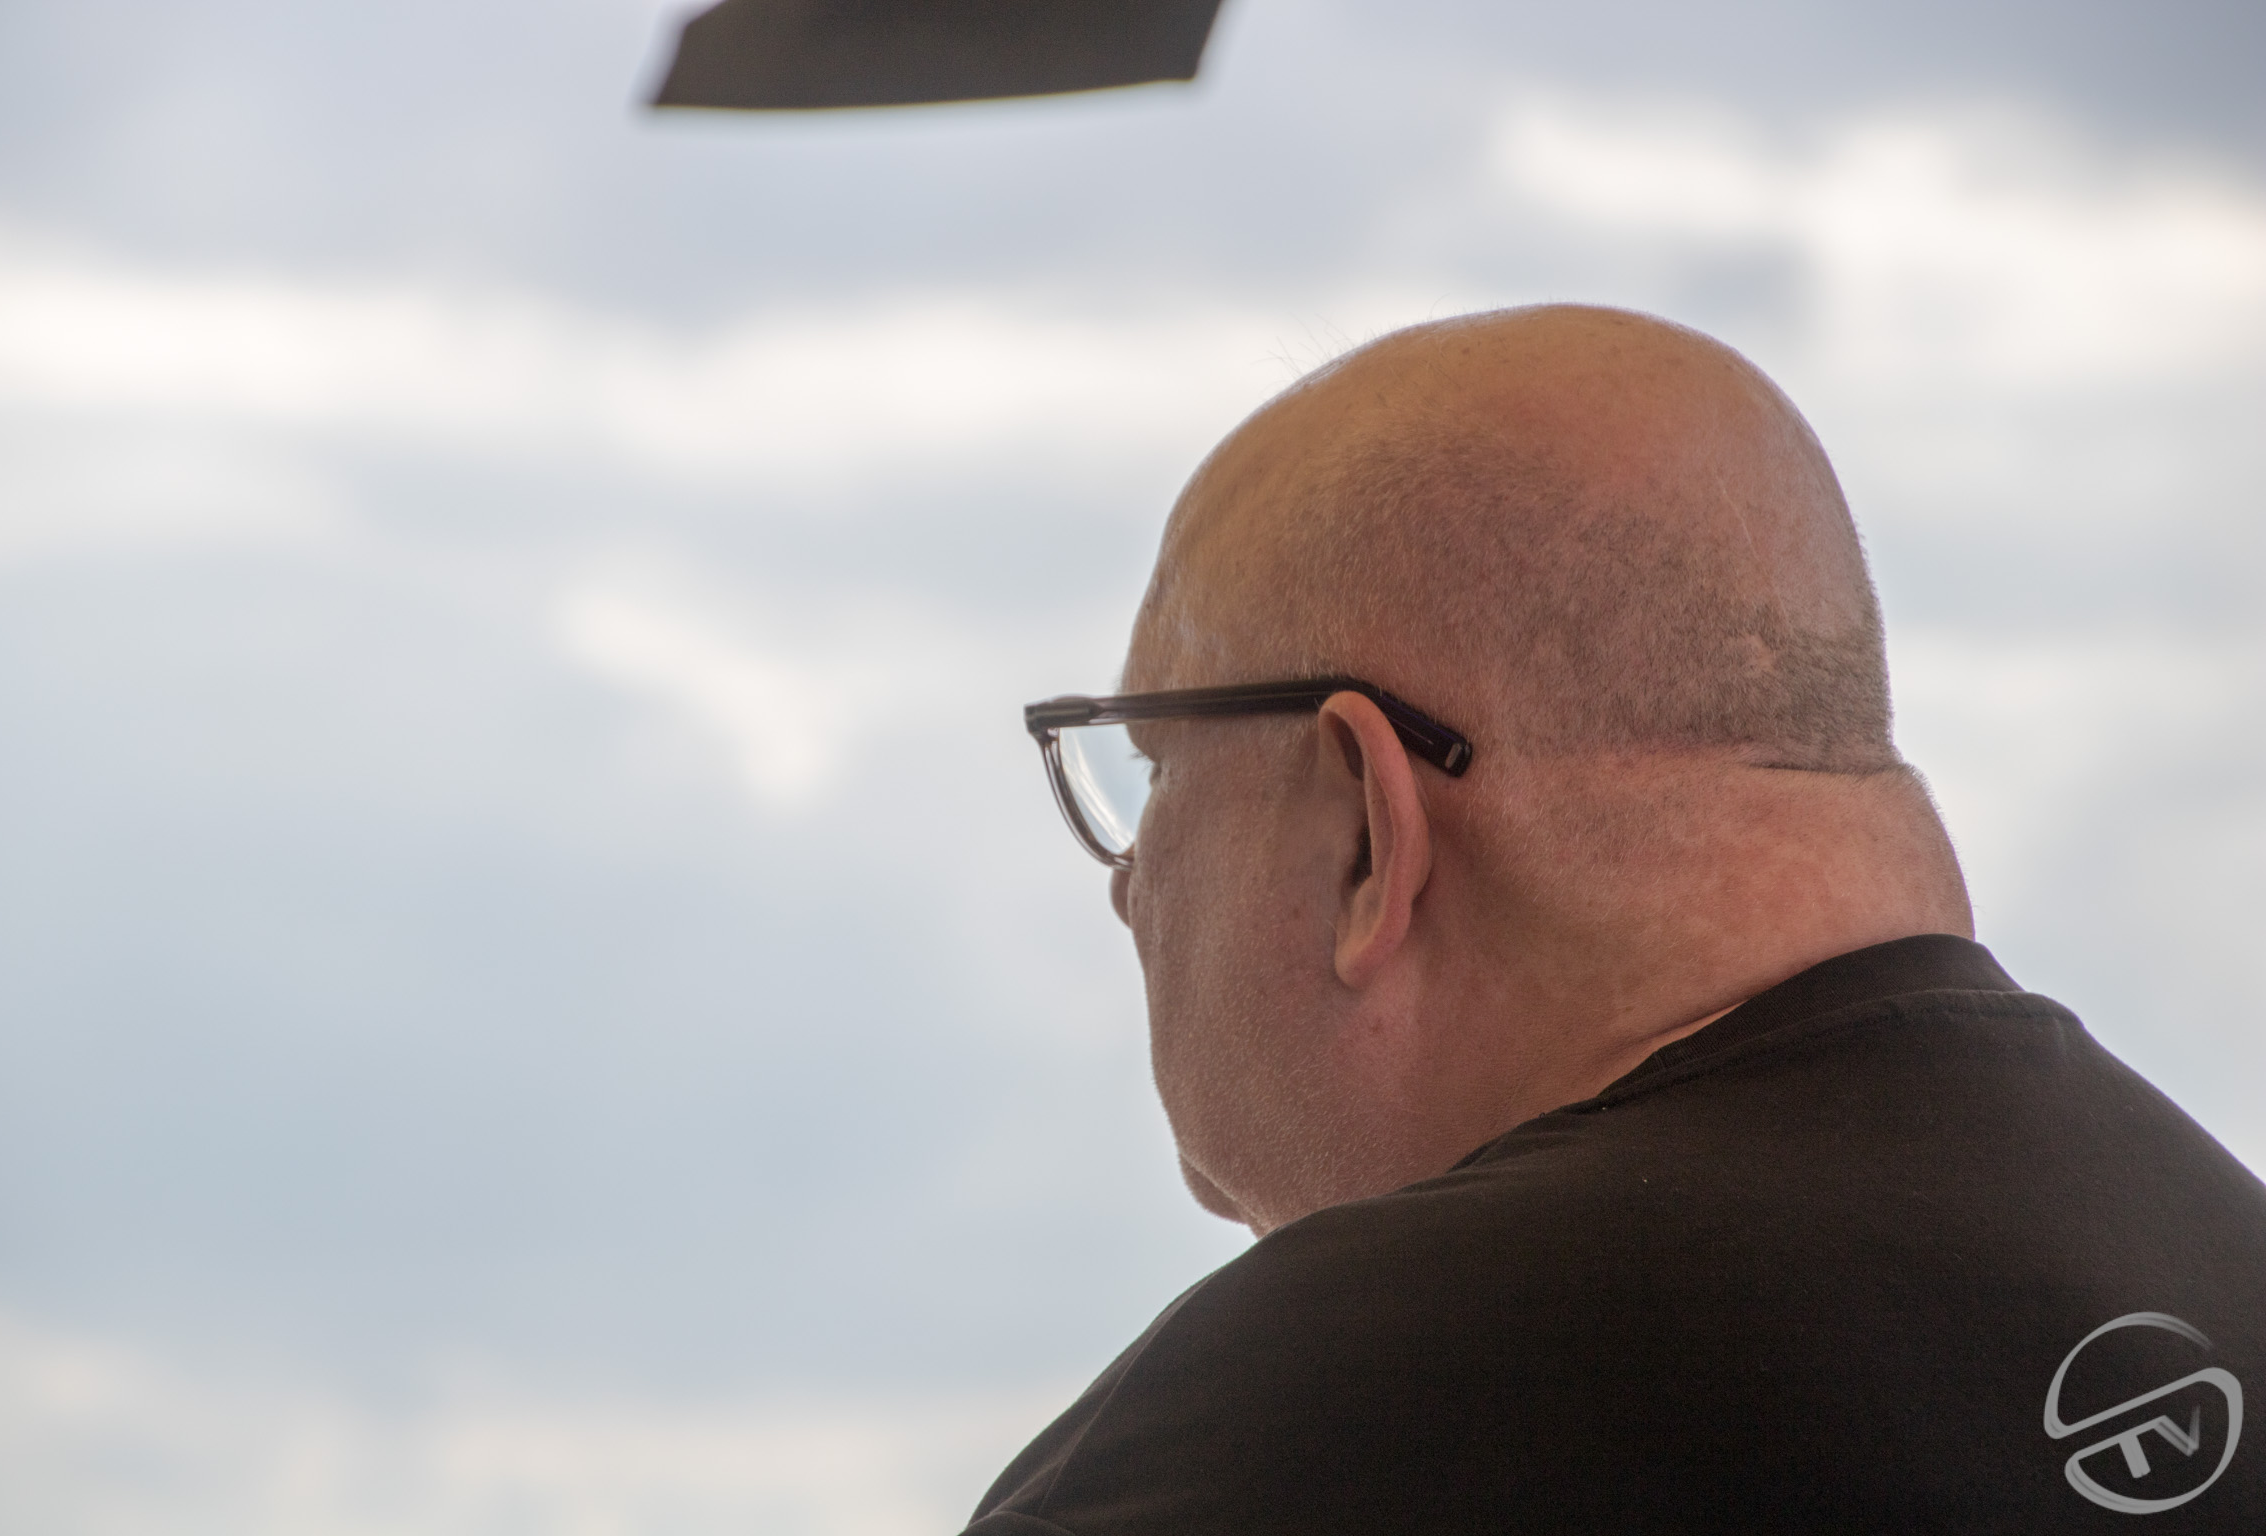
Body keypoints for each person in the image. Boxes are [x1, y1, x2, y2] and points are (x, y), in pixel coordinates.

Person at [970, 305, 2266, 1533]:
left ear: (1365, 828)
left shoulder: (1278, 1443)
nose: (1127, 885)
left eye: (1155, 769)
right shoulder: (2222, 1260)